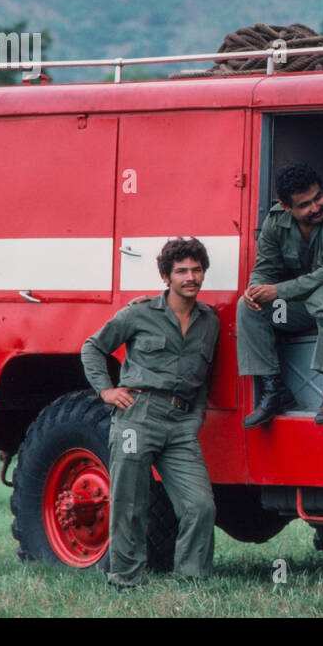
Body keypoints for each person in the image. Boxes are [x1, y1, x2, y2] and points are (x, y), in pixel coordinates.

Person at [80, 237, 218, 590]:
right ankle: (126, 580)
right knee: (129, 502)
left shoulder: (209, 322)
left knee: (200, 505)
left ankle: (191, 580)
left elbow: (203, 378)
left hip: (181, 425)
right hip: (137, 417)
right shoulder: (138, 313)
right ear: (166, 277)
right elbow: (93, 347)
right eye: (182, 271)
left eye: (197, 269)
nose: (191, 277)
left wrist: (195, 418)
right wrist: (106, 391)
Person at [238, 162, 323, 427]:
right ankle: (274, 390)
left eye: (318, 197)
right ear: (287, 207)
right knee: (247, 307)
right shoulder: (275, 220)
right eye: (305, 205)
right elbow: (264, 268)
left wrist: (278, 290)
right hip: (296, 311)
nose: (316, 207)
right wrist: (255, 290)